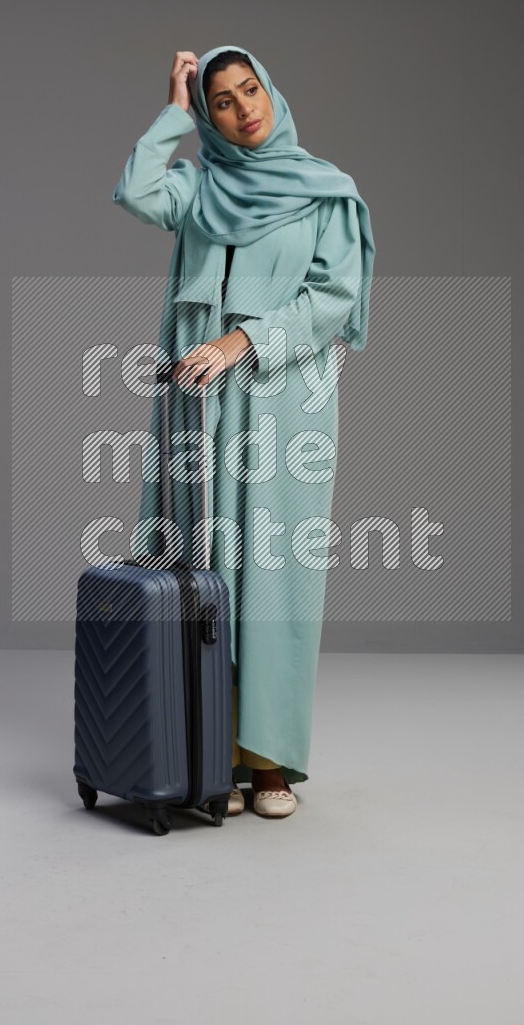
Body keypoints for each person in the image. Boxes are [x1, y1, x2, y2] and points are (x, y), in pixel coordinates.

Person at [112, 45, 375, 818]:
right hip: (200, 403)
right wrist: (171, 106)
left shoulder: (327, 192)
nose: (242, 108)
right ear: (207, 117)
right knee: (205, 569)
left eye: (248, 90)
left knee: (276, 577)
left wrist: (242, 341)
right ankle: (209, 751)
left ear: (271, 90)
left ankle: (270, 762)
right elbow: (135, 188)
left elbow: (335, 298)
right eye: (220, 101)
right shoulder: (199, 190)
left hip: (284, 397)